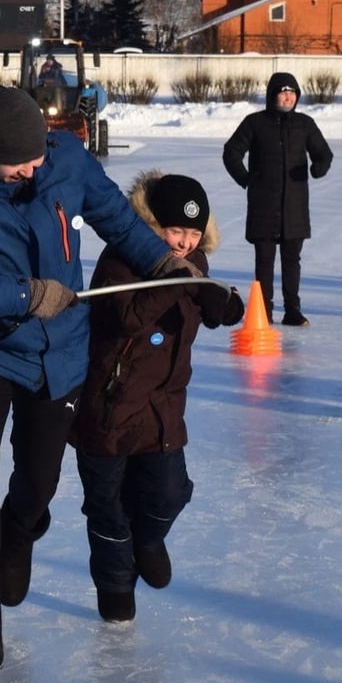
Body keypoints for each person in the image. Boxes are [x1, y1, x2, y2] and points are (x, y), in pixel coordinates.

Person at [0, 85, 196, 674]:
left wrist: (163, 263)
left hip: (61, 350)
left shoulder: (63, 155)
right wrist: (24, 293)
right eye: (20, 162)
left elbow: (116, 217)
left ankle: (18, 532)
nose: (35, 167)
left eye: (39, 153)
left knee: (38, 482)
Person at [70, 171, 244, 623]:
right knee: (108, 513)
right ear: (152, 228)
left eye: (192, 234)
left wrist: (224, 304)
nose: (184, 243)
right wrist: (172, 279)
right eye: (174, 232)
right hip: (107, 409)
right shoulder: (120, 261)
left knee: (169, 494)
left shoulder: (194, 262)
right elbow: (126, 318)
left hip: (161, 411)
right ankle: (114, 592)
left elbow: (209, 304)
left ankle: (148, 540)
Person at [221, 71, 333, 326]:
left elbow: (324, 154)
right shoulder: (255, 123)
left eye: (292, 93)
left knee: (292, 261)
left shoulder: (305, 124)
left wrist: (318, 168)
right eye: (283, 93)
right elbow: (232, 152)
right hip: (264, 206)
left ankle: (292, 310)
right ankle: (265, 311)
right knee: (264, 262)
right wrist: (244, 177)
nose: (288, 97)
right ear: (273, 96)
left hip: (295, 208)